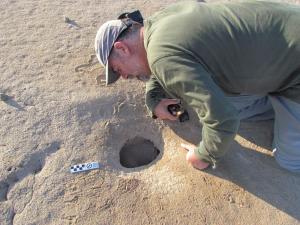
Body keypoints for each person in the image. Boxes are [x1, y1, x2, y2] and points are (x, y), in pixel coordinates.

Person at [95, 0, 300, 173]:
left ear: (121, 48)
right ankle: (285, 107)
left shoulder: (161, 57)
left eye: (116, 69)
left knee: (289, 160)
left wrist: (203, 155)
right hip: (286, 39)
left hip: (294, 74)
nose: (123, 76)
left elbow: (223, 120)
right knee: (230, 103)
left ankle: (287, 106)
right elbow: (165, 60)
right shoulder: (159, 23)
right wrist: (154, 99)